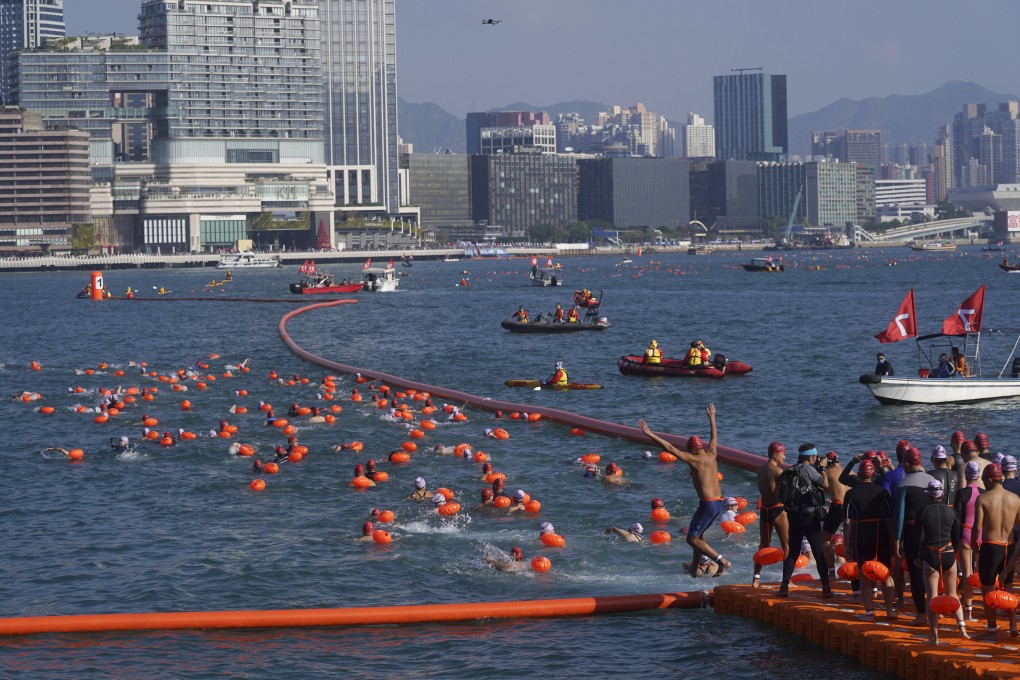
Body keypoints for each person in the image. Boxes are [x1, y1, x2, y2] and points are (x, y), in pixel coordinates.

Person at [637, 403, 732, 576]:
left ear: (693, 450)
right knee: (699, 538)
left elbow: (670, 448)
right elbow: (714, 437)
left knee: (692, 539)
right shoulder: (712, 454)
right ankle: (694, 571)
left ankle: (721, 561)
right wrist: (712, 418)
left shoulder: (694, 459)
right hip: (718, 503)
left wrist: (650, 433)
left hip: (708, 504)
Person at [841, 457, 897, 619]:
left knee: (864, 574)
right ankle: (889, 610)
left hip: (861, 534)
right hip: (881, 534)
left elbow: (847, 522)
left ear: (858, 475)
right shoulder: (882, 492)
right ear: (873, 474)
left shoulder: (850, 494)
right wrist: (894, 541)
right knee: (886, 573)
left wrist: (847, 544)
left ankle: (869, 612)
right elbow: (889, 520)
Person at [913, 479, 967, 644]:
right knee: (953, 594)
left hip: (931, 554)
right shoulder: (952, 512)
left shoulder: (922, 512)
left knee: (932, 597)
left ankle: (934, 637)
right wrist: (954, 553)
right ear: (942, 494)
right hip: (949, 552)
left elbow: (918, 537)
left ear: (929, 494)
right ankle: (962, 628)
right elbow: (957, 537)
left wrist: (918, 556)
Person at [777, 444, 831, 598]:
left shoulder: (789, 470)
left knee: (793, 552)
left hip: (793, 517)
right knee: (818, 552)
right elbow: (826, 486)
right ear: (811, 457)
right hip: (809, 518)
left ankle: (784, 586)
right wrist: (823, 469)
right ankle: (826, 588)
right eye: (814, 457)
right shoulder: (808, 469)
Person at [972, 464, 1020, 636]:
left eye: (984, 479)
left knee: (988, 588)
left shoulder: (983, 499)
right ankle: (1013, 625)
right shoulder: (1015, 499)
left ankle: (992, 627)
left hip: (991, 547)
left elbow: (977, 527)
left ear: (990, 479)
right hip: (1010, 546)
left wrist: (973, 546)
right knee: (1007, 586)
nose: (983, 482)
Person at [893, 447, 937, 624]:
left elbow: (900, 515)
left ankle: (921, 614)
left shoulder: (904, 485)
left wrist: (897, 539)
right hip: (932, 529)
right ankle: (936, 609)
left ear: (906, 463)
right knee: (933, 570)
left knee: (915, 572)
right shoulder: (932, 480)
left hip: (912, 532)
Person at [753, 441, 791, 587]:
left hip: (765, 510)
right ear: (775, 454)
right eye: (783, 454)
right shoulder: (778, 471)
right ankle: (786, 580)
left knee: (763, 546)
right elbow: (784, 493)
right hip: (777, 509)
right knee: (787, 545)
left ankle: (756, 578)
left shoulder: (760, 469)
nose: (784, 457)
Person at [954, 461, 984, 620]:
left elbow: (957, 517)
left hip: (966, 532)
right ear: (979, 475)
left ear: (966, 475)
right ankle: (986, 609)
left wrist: (956, 538)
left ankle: (969, 611)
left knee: (967, 574)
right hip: (981, 534)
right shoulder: (984, 492)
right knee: (982, 574)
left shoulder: (961, 493)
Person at [821, 451, 849, 579]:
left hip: (837, 505)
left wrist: (821, 470)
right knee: (850, 540)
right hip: (850, 507)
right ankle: (852, 570)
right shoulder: (850, 472)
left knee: (826, 540)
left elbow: (824, 486)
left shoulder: (828, 472)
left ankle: (831, 572)